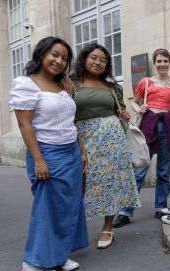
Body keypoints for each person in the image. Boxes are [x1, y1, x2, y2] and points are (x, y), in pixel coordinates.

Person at [8, 36, 89, 271]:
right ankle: (33, 263)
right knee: (48, 207)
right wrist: (39, 160)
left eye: (64, 58)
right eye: (54, 54)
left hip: (71, 151)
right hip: (47, 152)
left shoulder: (63, 85)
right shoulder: (26, 84)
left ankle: (59, 256)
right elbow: (25, 126)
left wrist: (82, 150)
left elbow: (70, 122)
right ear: (42, 54)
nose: (59, 60)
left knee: (69, 204)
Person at [73, 43, 140, 248]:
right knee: (79, 182)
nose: (98, 62)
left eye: (103, 60)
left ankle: (107, 228)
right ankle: (73, 228)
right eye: (94, 57)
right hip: (80, 137)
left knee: (109, 182)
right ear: (84, 58)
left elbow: (119, 111)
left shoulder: (111, 86)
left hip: (112, 139)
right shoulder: (70, 82)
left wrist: (125, 116)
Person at [112, 48, 170, 228]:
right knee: (139, 170)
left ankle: (160, 207)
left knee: (164, 172)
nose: (162, 64)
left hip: (167, 128)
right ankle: (125, 211)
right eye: (159, 61)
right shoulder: (146, 82)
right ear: (155, 63)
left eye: (165, 61)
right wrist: (139, 109)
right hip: (148, 126)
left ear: (169, 62)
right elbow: (134, 102)